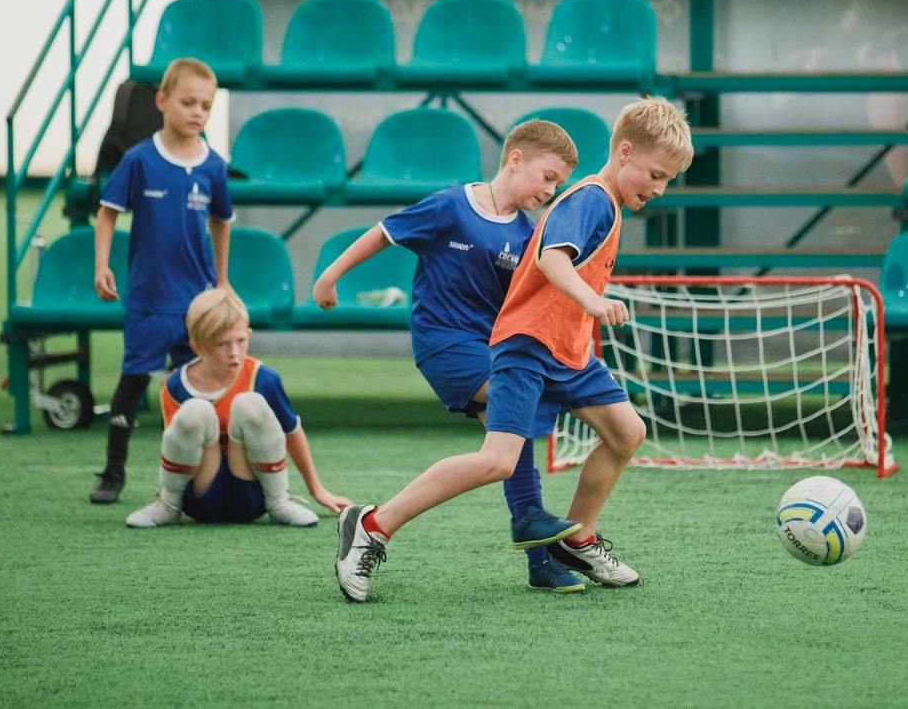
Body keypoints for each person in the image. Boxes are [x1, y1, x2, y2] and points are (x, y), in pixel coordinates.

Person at [336, 98, 694, 602]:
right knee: (498, 460)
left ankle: (578, 538)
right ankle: (373, 523)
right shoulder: (590, 198)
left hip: (568, 352)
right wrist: (593, 301)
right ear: (624, 151)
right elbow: (552, 260)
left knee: (627, 432)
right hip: (528, 345)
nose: (658, 188)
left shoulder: (607, 204)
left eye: (667, 181)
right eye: (655, 174)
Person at [313, 118, 585, 592]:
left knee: (508, 444)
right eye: (547, 177)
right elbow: (383, 232)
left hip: (491, 349)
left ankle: (540, 563)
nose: (551, 189)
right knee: (514, 411)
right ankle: (371, 523)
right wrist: (329, 276)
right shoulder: (450, 206)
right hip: (443, 345)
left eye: (559, 184)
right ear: (515, 158)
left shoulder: (526, 237)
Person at [90, 58, 233, 504]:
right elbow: (107, 212)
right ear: (162, 101)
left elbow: (222, 222)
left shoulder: (214, 166)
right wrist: (101, 265)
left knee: (198, 391)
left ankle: (208, 478)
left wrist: (222, 282)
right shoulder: (139, 160)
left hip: (197, 305)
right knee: (132, 386)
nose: (197, 112)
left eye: (206, 106)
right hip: (149, 301)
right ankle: (112, 473)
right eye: (188, 102)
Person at [125, 288, 353, 527]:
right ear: (197, 347)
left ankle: (279, 502)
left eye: (241, 341)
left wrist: (317, 490)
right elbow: (174, 446)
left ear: (249, 335)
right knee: (196, 411)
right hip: (199, 500)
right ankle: (168, 506)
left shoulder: (263, 377)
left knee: (249, 403)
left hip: (252, 498)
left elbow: (292, 431)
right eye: (222, 344)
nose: (234, 353)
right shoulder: (175, 385)